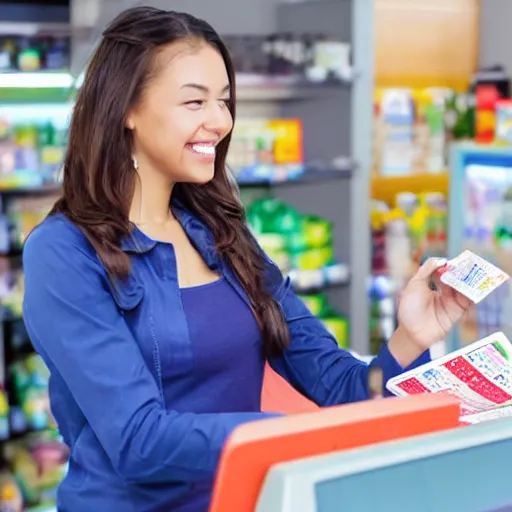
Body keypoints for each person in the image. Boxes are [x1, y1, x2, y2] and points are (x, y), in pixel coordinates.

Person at [21, 6, 470, 512]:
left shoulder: (224, 236)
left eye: (224, 101)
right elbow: (138, 441)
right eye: (195, 101)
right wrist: (289, 436)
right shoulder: (63, 253)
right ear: (127, 108)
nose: (221, 120)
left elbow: (342, 387)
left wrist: (409, 338)